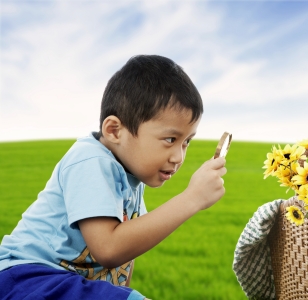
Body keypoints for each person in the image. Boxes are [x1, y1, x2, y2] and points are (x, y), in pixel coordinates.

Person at [0, 55, 227, 300]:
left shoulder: (132, 178)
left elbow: (122, 261)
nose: (178, 157)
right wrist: (191, 199)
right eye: (170, 140)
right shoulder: (90, 159)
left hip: (62, 283)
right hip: (26, 277)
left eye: (186, 142)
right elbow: (109, 248)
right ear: (114, 130)